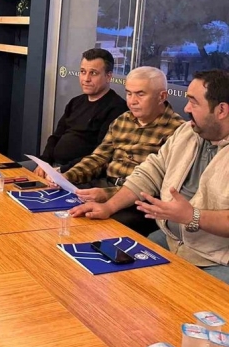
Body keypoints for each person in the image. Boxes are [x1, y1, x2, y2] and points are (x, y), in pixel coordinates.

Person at [72, 70, 229, 283]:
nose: (186, 108)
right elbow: (149, 172)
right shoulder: (186, 132)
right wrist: (108, 207)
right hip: (170, 240)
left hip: (217, 260)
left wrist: (192, 216)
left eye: (193, 102)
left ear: (221, 110)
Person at [60, 66, 183, 235]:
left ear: (161, 97)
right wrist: (67, 177)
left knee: (91, 225)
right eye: (129, 93)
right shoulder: (122, 120)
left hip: (139, 203)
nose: (132, 101)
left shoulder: (177, 131)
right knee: (61, 204)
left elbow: (160, 185)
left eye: (140, 94)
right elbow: (98, 158)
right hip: (105, 184)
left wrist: (108, 195)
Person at [32, 48, 127, 177]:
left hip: (77, 173)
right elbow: (56, 137)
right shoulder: (75, 102)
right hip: (51, 166)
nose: (86, 79)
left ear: (108, 76)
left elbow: (100, 154)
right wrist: (44, 162)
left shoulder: (116, 108)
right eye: (83, 72)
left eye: (93, 73)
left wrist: (62, 170)